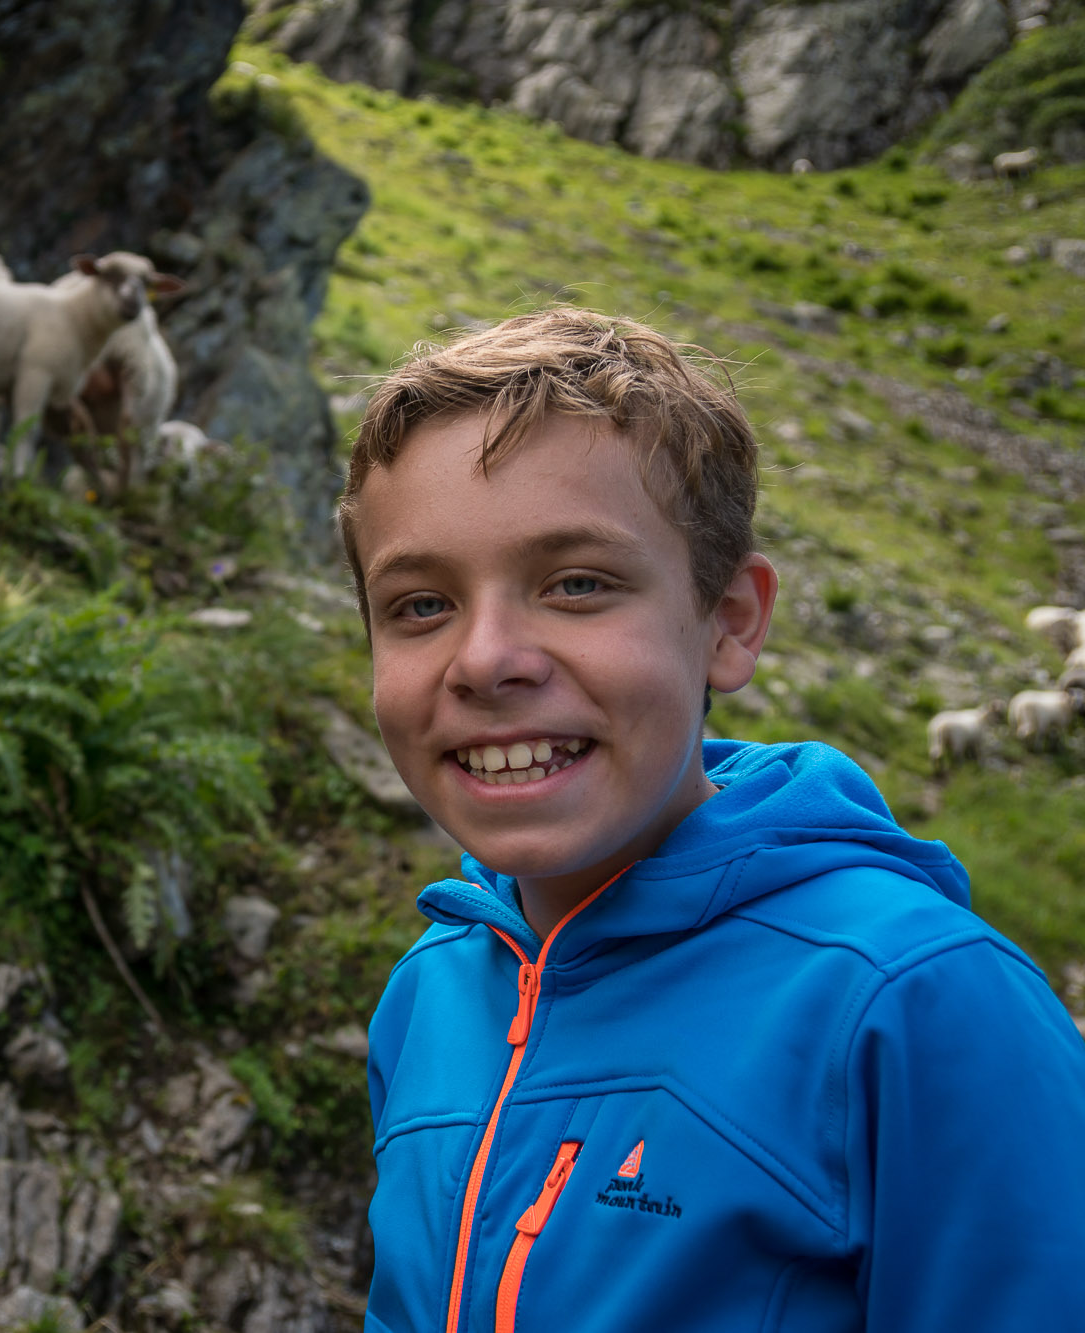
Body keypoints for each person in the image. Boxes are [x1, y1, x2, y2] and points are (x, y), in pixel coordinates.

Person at [343, 307, 1085, 1332]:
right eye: (420, 604)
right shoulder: (428, 992)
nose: (484, 660)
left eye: (577, 584)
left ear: (729, 622)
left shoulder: (917, 1005)